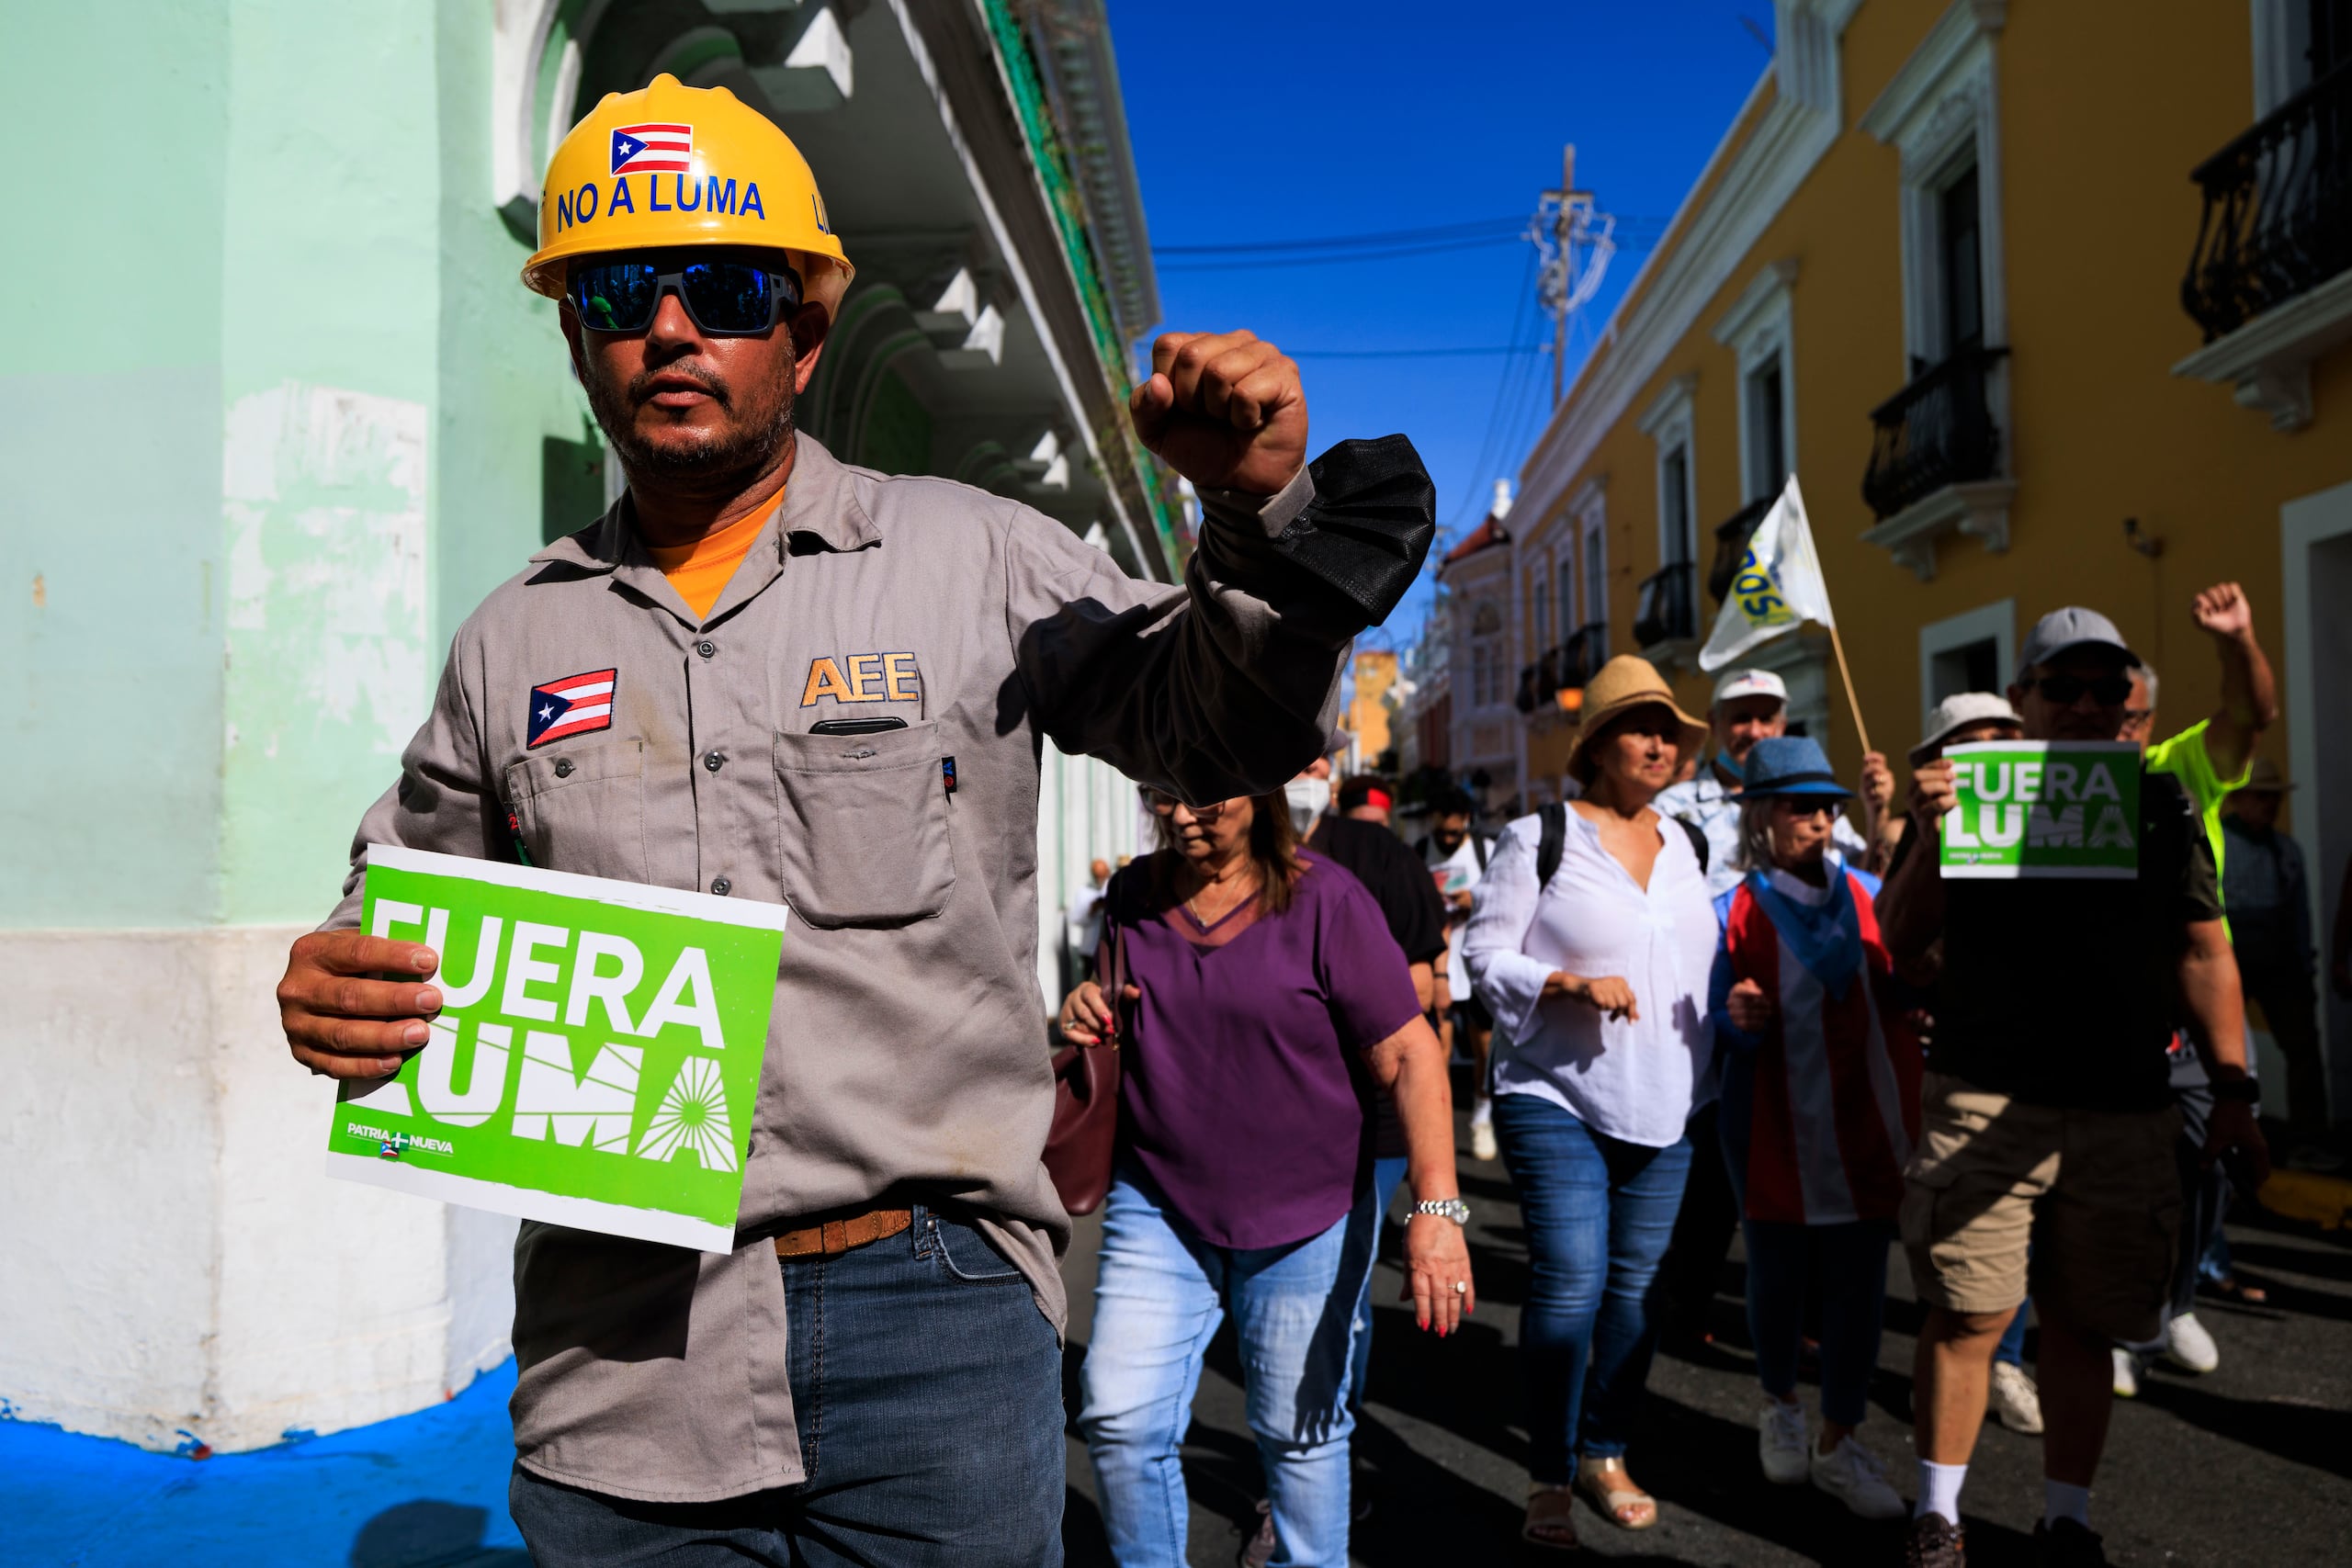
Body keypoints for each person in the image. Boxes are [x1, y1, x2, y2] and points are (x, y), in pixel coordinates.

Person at [269, 77, 1438, 1568]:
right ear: (574, 334)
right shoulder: (514, 638)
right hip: (619, 1356)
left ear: (806, 332)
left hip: (934, 1323)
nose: (670, 328)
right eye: (621, 292)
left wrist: (1258, 520)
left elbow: (1213, 725)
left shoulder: (976, 557)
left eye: (725, 290)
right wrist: (341, 974)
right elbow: (404, 890)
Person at [1877, 606, 2268, 1568]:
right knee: (1968, 1313)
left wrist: (2234, 1090)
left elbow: (2203, 951)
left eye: (2108, 689)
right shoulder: (1971, 795)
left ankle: (2066, 1521)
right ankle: (1939, 1516)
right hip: (1985, 1094)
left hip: (2122, 1107)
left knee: (2085, 1323)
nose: (2090, 705)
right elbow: (1902, 935)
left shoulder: (2161, 802)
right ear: (2024, 700)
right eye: (2064, 687)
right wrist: (1929, 835)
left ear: (2130, 703)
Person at [1062, 787, 1470, 1568]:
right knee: (1118, 1419)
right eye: (1162, 794)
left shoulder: (1328, 900)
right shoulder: (1133, 892)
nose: (1181, 815)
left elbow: (1411, 1053)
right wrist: (1090, 1002)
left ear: (1258, 789)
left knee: (1298, 1432)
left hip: (1308, 1213)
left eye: (1204, 796)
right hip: (1161, 1200)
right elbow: (1124, 1007)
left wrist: (1438, 1208)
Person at [1463, 656, 1718, 1551]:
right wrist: (1565, 982)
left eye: (1669, 733)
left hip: (1670, 1101)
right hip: (1554, 1092)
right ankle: (1550, 1474)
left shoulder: (1690, 844)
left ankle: (1605, 1450)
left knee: (1636, 1293)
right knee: (1572, 1280)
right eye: (1642, 728)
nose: (1660, 744)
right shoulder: (1540, 836)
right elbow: (1482, 956)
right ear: (1599, 745)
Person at [1710, 737, 1918, 1520]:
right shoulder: (1729, 909)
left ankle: (1839, 1438)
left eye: (1828, 806)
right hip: (1769, 1122)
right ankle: (1781, 1405)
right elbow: (1710, 1020)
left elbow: (1907, 980)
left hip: (1866, 1118)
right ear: (1761, 816)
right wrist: (1734, 1018)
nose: (1821, 820)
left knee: (1859, 1287)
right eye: (1802, 806)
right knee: (1777, 1279)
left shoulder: (1871, 890)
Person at [1652, 668, 1886, 1346]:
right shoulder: (1675, 806)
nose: (1753, 728)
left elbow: (1859, 884)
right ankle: (1685, 1307)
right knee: (1713, 1172)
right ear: (1716, 723)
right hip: (1708, 996)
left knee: (1810, 1160)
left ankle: (1806, 1324)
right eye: (1740, 716)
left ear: (1783, 723)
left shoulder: (1815, 795)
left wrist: (1877, 817)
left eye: (1766, 716)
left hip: (1808, 1009)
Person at [2108, 583, 2278, 1393]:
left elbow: (2251, 716)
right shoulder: (2049, 789)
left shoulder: (2178, 769)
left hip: (2198, 1019)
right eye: (2102, 711)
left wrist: (2236, 641)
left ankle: (2175, 1303)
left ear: (2149, 722)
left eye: (2131, 716)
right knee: (2114, 1181)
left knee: (2210, 1166)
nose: (2117, 728)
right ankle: (2116, 1325)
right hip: (2108, 1022)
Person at [1297, 770, 1448, 1533]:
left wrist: (1439, 1204)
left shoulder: (1379, 858)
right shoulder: (1207, 850)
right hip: (1247, 1130)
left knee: (1340, 1303)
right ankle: (1304, 1466)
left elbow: (1421, 990)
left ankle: (1323, 1464)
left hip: (1366, 1123)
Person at [2222, 759, 2327, 1161]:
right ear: (2239, 799)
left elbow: (2299, 913)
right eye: (2261, 797)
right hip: (2231, 957)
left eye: (2274, 798)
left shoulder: (2286, 851)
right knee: (2222, 1050)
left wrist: (2305, 965)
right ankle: (2222, 1131)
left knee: (2303, 1046)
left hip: (2280, 962)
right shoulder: (2217, 844)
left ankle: (2309, 1138)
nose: (2270, 806)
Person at [1419, 788, 1498, 1160]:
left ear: (1467, 821)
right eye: (1441, 832)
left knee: (1486, 1048)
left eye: (1454, 832)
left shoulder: (1487, 850)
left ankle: (1482, 1117)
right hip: (1439, 966)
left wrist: (1476, 899)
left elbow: (1510, 900)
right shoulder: (1420, 852)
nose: (1448, 840)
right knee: (1438, 1052)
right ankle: (1440, 1129)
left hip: (1478, 964)